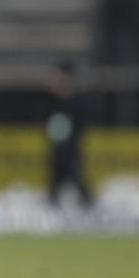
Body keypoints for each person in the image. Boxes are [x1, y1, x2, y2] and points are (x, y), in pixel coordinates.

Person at [45, 60, 92, 206]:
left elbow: (81, 125)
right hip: (58, 148)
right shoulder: (52, 100)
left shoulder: (77, 101)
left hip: (71, 149)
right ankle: (53, 210)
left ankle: (89, 209)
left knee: (77, 179)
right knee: (54, 182)